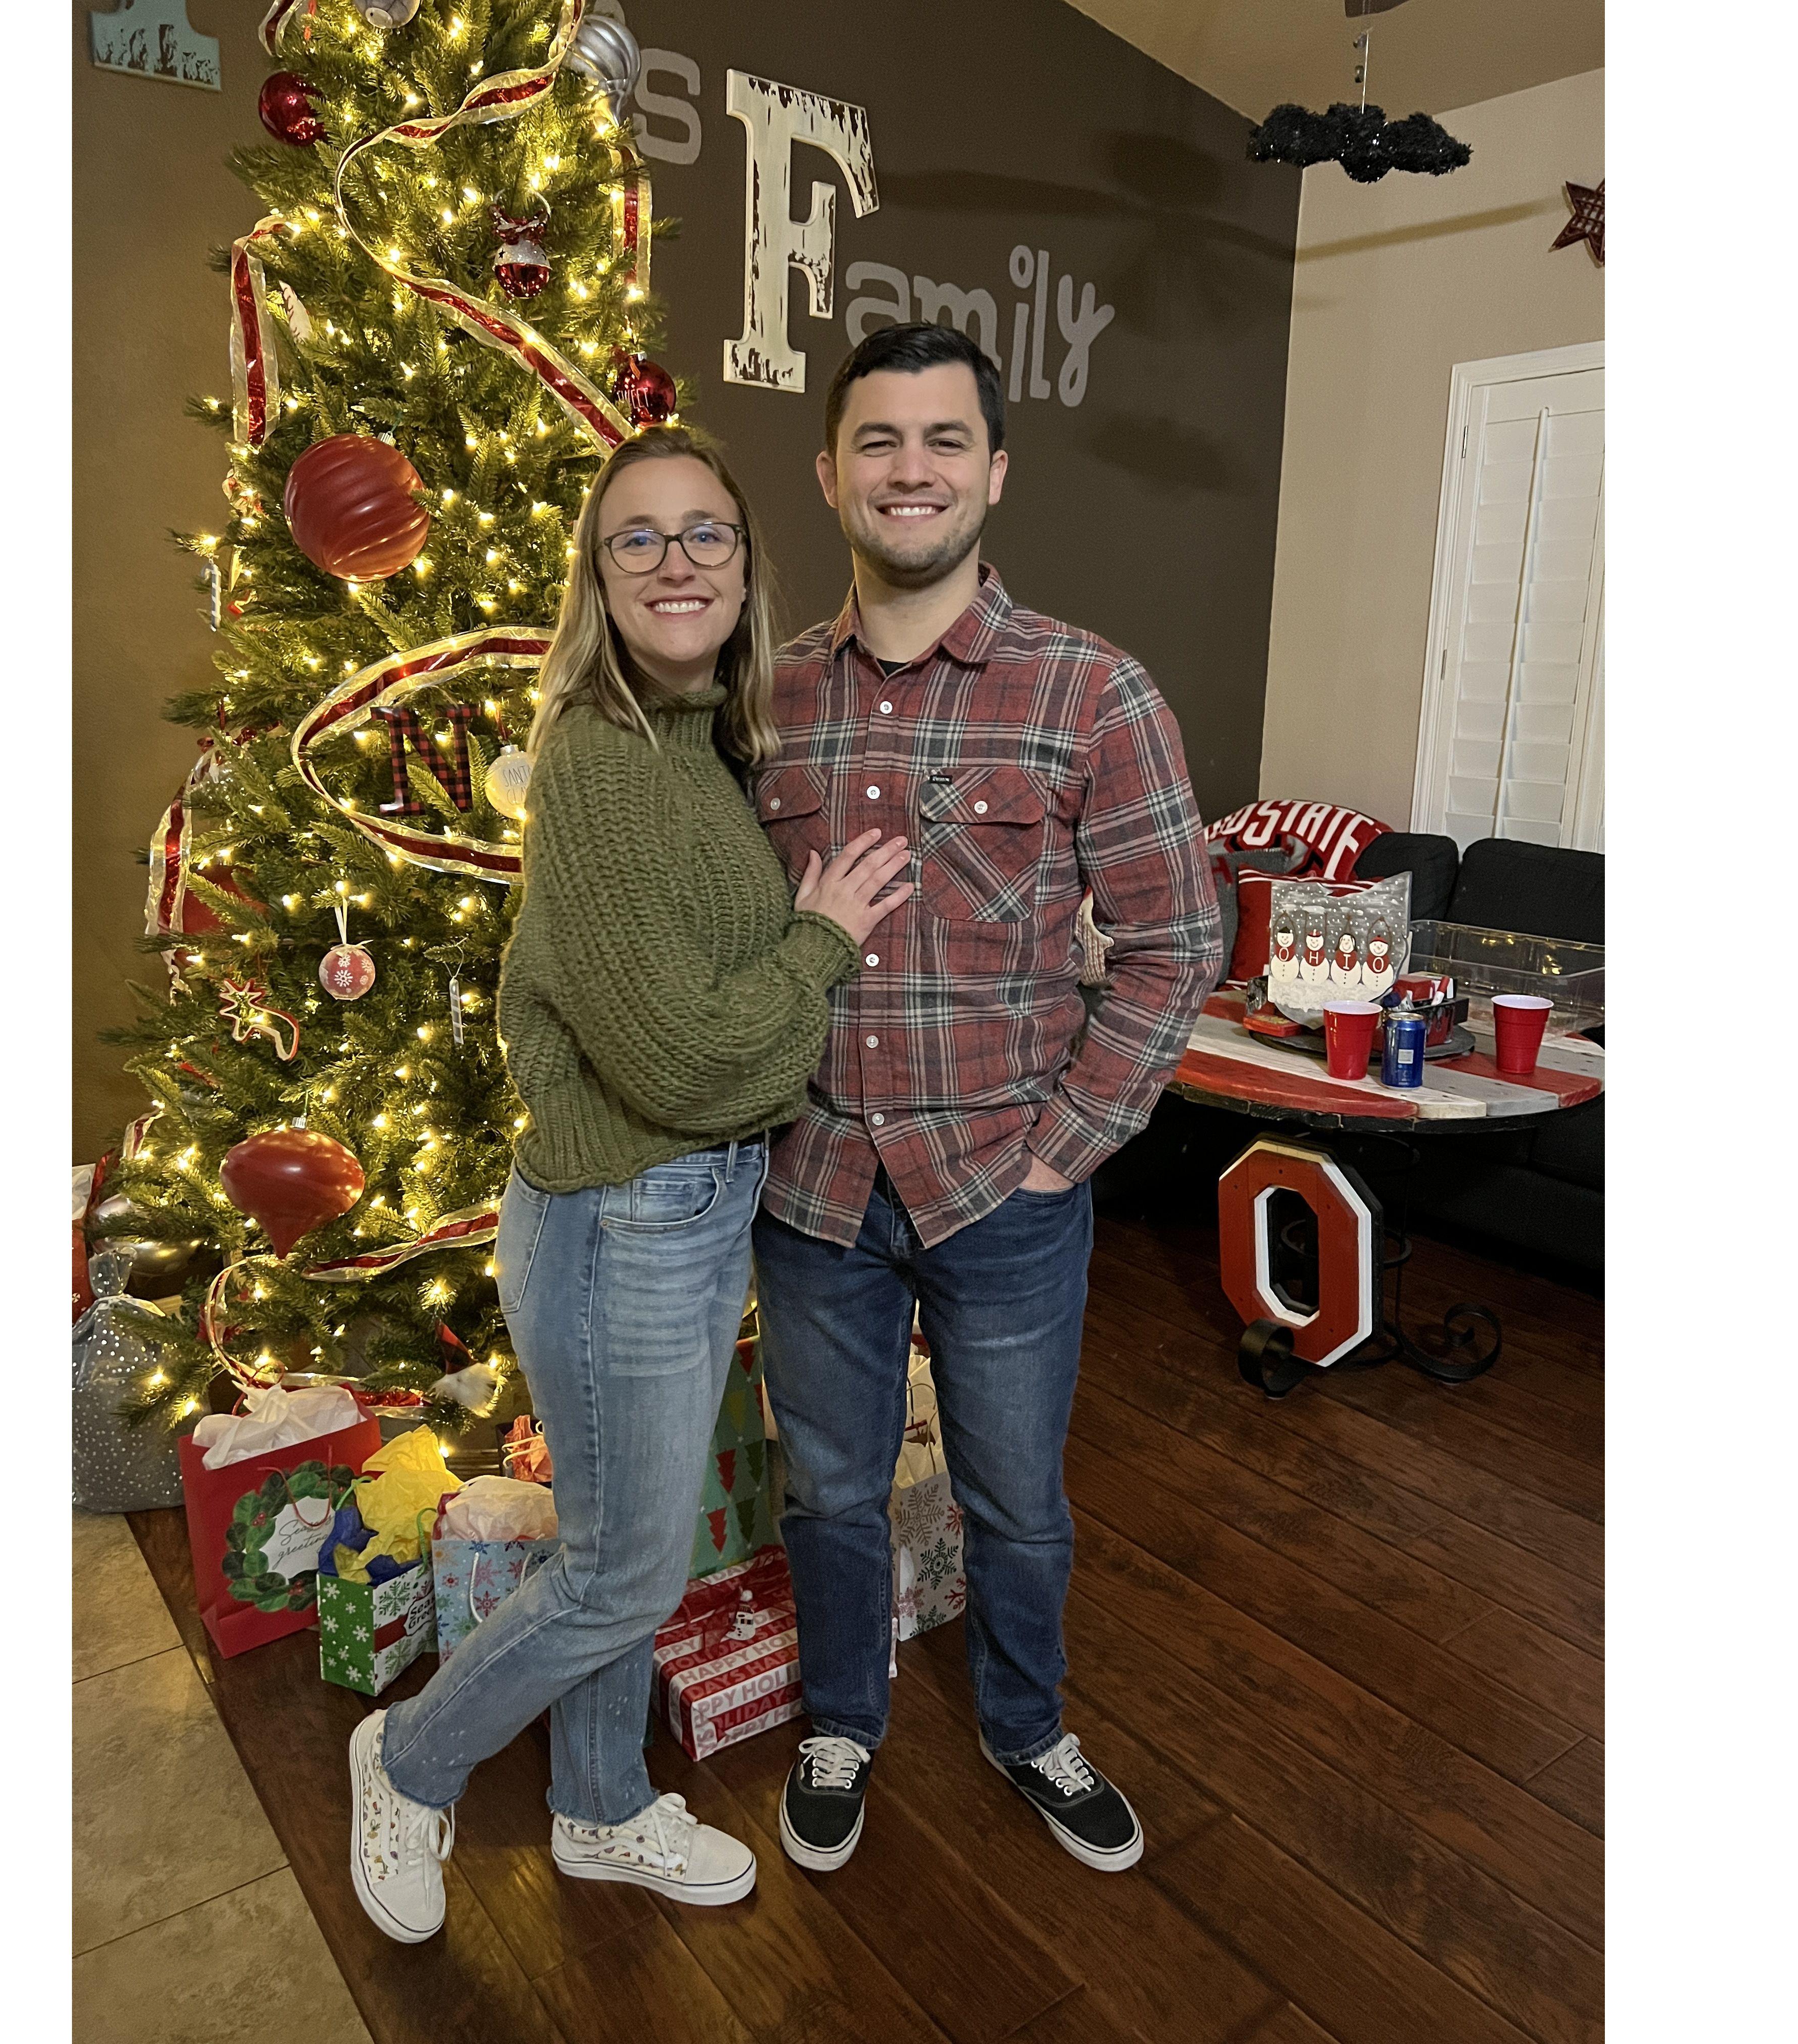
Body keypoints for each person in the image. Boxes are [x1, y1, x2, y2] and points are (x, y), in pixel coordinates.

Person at [346, 424, 912, 1942]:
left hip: (686, 1208)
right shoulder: (601, 758)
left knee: (614, 1553)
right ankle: (407, 1760)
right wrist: (821, 945)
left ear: (746, 562)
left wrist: (765, 994)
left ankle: (599, 1808)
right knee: (623, 1576)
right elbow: (677, 1059)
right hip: (623, 1219)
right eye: (637, 538)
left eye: (705, 533)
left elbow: (705, 1021)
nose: (676, 563)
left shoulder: (697, 741)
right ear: (598, 579)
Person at [750, 323, 1221, 1876]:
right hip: (811, 1189)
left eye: (945, 439)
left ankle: (1026, 1725)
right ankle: (842, 1717)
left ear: (996, 471)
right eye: (879, 441)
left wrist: (1062, 1153)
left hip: (1005, 1192)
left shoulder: (1094, 692)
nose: (913, 469)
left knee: (1015, 1499)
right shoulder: (767, 695)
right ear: (831, 474)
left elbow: (1176, 944)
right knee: (829, 1488)